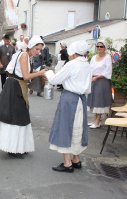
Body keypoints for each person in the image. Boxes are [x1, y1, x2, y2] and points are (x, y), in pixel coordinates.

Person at [0, 35, 47, 159]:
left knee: (20, 117)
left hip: (16, 86)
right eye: (37, 49)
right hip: (15, 87)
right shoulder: (24, 56)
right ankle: (13, 149)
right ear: (31, 47)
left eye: (40, 50)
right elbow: (26, 76)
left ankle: (19, 147)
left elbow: (25, 73)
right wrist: (40, 73)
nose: (38, 52)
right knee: (15, 118)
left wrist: (39, 72)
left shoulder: (26, 56)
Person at [45, 40, 92, 173]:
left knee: (65, 128)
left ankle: (67, 163)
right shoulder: (87, 65)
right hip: (81, 99)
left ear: (73, 53)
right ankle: (76, 159)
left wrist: (47, 72)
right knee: (77, 128)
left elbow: (55, 80)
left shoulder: (72, 64)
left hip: (70, 98)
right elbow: (88, 87)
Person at [87, 40, 113, 129]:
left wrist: (97, 77)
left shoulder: (107, 57)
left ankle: (98, 121)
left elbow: (108, 71)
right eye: (97, 46)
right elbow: (89, 69)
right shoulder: (94, 57)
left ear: (105, 48)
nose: (99, 48)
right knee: (94, 100)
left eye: (101, 46)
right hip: (93, 80)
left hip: (102, 81)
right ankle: (95, 120)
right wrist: (90, 77)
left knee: (99, 101)